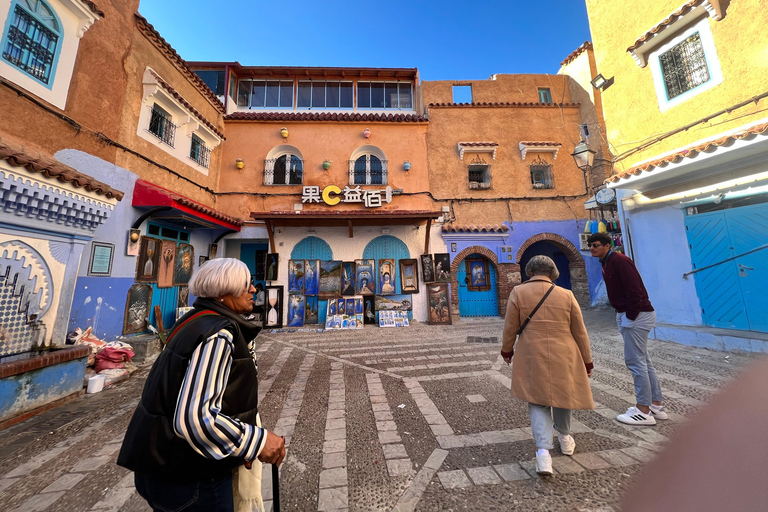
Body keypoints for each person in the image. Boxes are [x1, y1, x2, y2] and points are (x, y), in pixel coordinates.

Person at [117, 258, 286, 511]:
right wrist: (257, 441)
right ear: (224, 290)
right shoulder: (218, 333)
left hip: (162, 464)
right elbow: (196, 419)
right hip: (190, 476)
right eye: (246, 284)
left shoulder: (195, 320)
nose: (254, 290)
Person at [501, 255, 594, 476]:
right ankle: (565, 438)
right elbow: (580, 331)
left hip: (532, 351)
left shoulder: (518, 292)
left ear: (530, 271)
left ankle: (543, 454)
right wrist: (587, 359)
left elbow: (510, 326)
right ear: (553, 272)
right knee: (563, 395)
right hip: (565, 351)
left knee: (537, 399)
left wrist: (507, 349)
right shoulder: (567, 295)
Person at [588, 232, 666, 426]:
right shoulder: (606, 262)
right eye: (590, 245)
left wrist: (630, 317)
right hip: (631, 314)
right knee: (644, 361)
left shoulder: (620, 261)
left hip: (637, 315)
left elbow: (635, 290)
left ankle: (643, 411)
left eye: (596, 245)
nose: (592, 248)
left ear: (607, 246)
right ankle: (656, 405)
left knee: (635, 362)